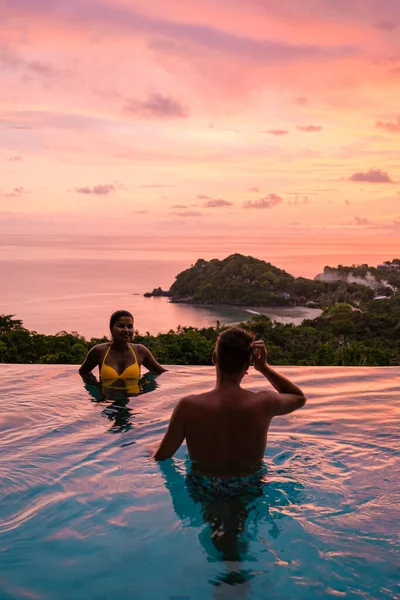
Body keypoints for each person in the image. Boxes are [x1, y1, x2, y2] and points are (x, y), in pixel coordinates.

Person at [154, 327, 306, 478]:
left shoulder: (188, 407)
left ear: (214, 358)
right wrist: (264, 368)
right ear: (248, 365)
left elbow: (162, 457)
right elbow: (298, 397)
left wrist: (149, 450)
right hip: (249, 488)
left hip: (203, 489)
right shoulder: (265, 402)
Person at [79, 310, 166, 386]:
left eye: (130, 326)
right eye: (121, 326)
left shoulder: (140, 351)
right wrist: (95, 388)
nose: (126, 330)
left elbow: (160, 371)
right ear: (111, 328)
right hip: (108, 402)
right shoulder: (99, 351)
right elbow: (83, 372)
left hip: (134, 402)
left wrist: (145, 386)